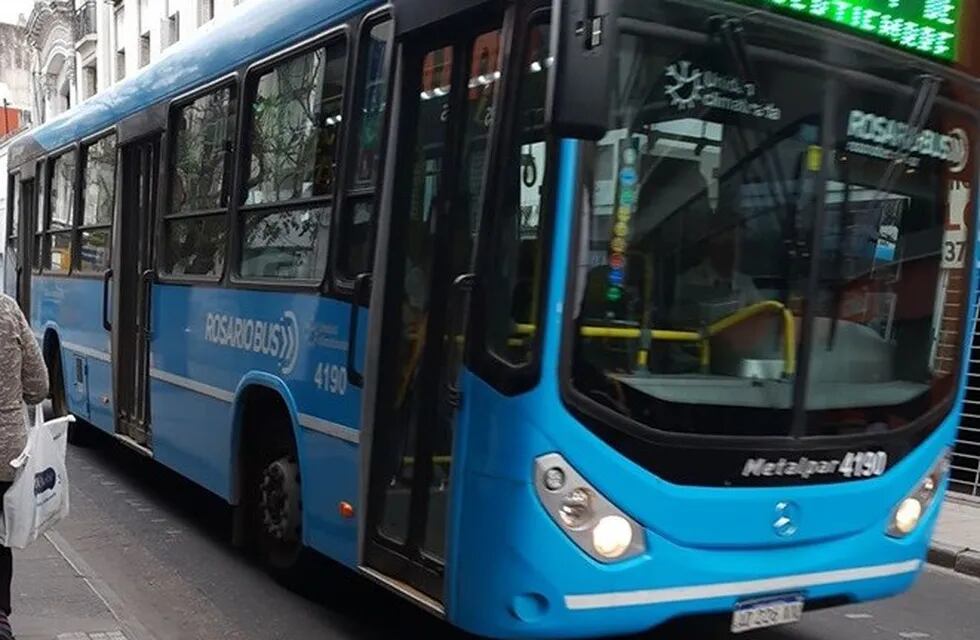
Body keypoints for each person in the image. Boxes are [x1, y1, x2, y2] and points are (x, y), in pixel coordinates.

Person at [0, 294, 48, 640]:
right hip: (5, 452)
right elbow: (39, 386)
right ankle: (0, 618)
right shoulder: (7, 310)